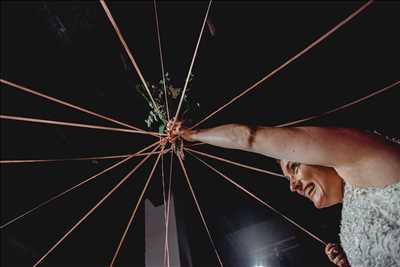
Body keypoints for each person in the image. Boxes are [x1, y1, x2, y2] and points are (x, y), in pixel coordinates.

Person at [172, 123, 400, 267]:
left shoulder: (362, 154)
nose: (292, 187)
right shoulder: (350, 211)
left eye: (294, 168)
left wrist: (192, 135)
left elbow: (249, 137)